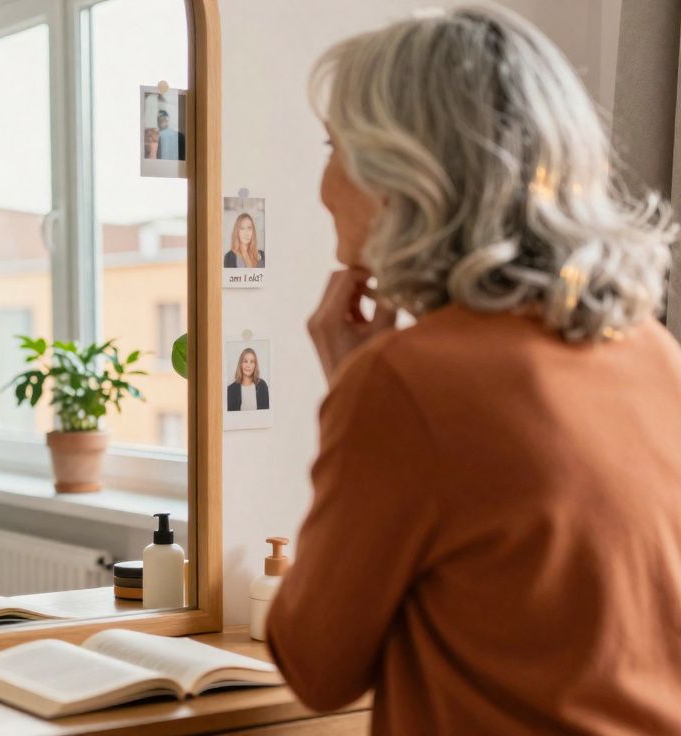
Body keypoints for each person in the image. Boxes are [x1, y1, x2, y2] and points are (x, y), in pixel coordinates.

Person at [265, 7, 681, 734]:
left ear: (400, 172)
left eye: (334, 148)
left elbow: (316, 669)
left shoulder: (404, 384)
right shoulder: (652, 352)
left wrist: (355, 398)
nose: (323, 184)